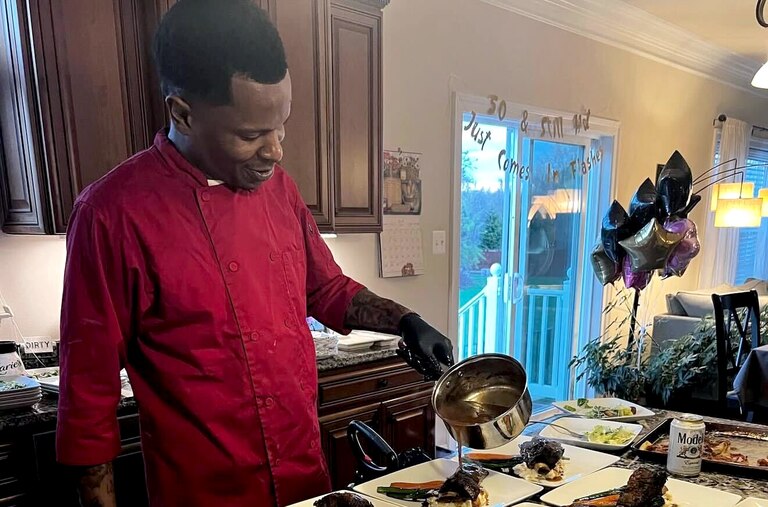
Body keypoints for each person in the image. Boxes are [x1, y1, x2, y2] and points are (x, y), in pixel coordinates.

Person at [55, 1, 453, 506]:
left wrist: (407, 321)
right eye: (250, 135)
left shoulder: (278, 188)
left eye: (280, 126)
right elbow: (86, 405)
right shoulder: (111, 214)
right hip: (202, 494)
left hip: (306, 480)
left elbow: (325, 288)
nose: (275, 151)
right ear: (182, 113)